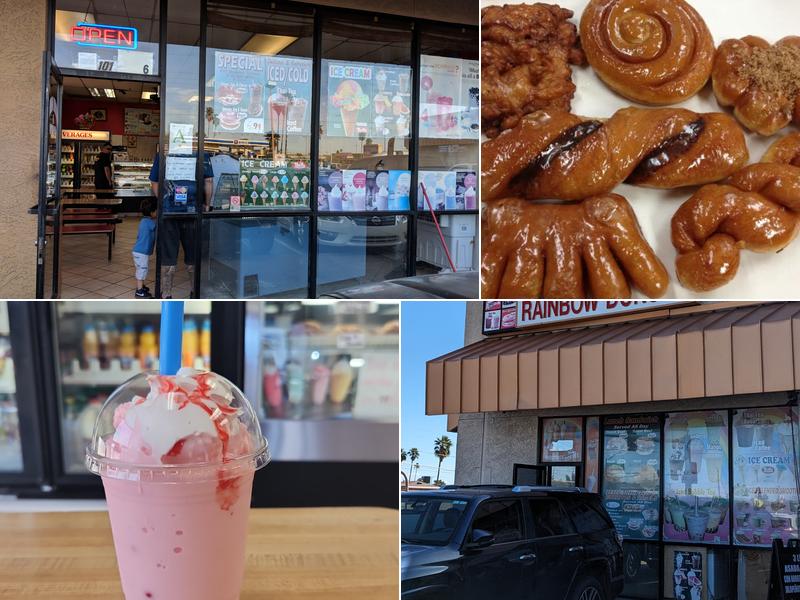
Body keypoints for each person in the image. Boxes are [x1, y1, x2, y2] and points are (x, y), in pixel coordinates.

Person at [149, 152, 213, 298]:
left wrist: (164, 202)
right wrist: (207, 205)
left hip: (169, 212)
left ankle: (166, 294)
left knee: (168, 255)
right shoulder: (202, 154)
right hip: (192, 211)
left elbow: (154, 182)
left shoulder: (163, 154)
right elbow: (208, 181)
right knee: (193, 255)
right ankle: (194, 291)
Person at [132, 198, 157, 298]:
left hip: (139, 251)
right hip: (141, 252)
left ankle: (141, 286)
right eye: (156, 211)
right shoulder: (149, 222)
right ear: (152, 212)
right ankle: (139, 291)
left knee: (141, 269)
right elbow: (156, 227)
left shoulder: (144, 221)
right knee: (142, 270)